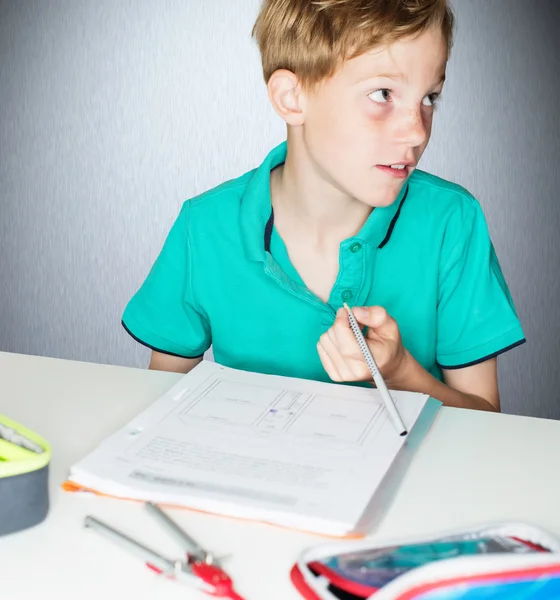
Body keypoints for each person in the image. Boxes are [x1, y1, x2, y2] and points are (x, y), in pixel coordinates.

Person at [122, 0, 525, 412]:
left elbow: (486, 421)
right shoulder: (204, 227)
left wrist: (402, 371)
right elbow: (157, 409)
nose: (415, 132)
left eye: (429, 98)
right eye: (383, 94)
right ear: (292, 97)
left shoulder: (452, 222)